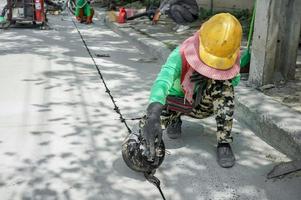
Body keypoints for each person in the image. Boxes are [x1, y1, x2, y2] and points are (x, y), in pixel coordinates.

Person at [142, 13, 242, 168]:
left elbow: (234, 79)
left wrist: (211, 76)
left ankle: (224, 143)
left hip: (202, 105)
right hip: (176, 103)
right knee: (149, 124)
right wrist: (153, 112)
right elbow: (163, 80)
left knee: (224, 86)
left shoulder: (229, 51)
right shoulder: (180, 53)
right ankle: (173, 121)